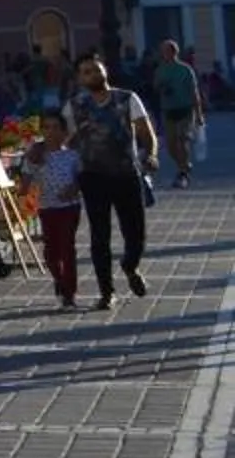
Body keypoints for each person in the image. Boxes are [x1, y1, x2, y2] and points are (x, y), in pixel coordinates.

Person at [67, 55, 159, 309]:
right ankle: (106, 292)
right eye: (86, 72)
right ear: (80, 78)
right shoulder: (75, 105)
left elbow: (145, 132)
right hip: (93, 178)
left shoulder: (127, 99)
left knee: (136, 234)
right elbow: (65, 140)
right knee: (100, 236)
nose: (92, 74)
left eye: (95, 69)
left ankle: (130, 266)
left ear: (104, 70)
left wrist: (150, 154)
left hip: (126, 174)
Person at [21, 111, 86, 309]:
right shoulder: (36, 155)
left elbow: (82, 177)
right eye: (47, 127)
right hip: (47, 207)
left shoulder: (72, 155)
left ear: (64, 132)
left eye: (56, 127)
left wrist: (74, 187)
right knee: (51, 252)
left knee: (67, 248)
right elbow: (25, 182)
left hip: (69, 207)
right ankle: (59, 279)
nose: (51, 132)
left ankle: (69, 293)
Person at [152, 40, 203, 190]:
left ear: (174, 52)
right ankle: (184, 165)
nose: (164, 54)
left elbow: (194, 92)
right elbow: (155, 87)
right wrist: (161, 86)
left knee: (182, 139)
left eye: (167, 51)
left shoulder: (185, 70)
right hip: (168, 110)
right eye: (163, 51)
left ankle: (182, 172)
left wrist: (199, 114)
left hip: (185, 109)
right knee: (171, 144)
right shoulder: (161, 70)